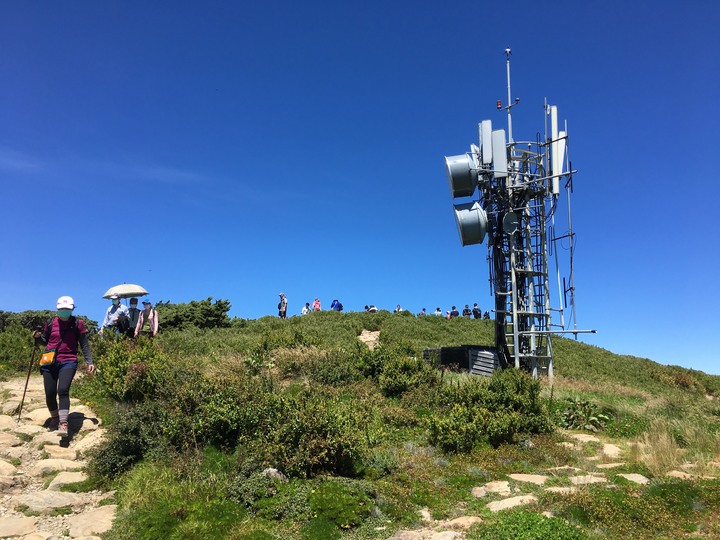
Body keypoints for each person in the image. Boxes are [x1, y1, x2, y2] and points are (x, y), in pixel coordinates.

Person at [33, 296, 95, 437]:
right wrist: (37, 338)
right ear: (57, 309)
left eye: (67, 309)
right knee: (49, 393)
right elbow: (45, 341)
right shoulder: (50, 323)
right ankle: (55, 418)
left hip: (69, 360)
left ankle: (63, 423)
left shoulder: (78, 324)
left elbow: (84, 344)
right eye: (62, 309)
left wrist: (89, 361)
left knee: (63, 390)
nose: (64, 311)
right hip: (49, 361)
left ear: (72, 309)